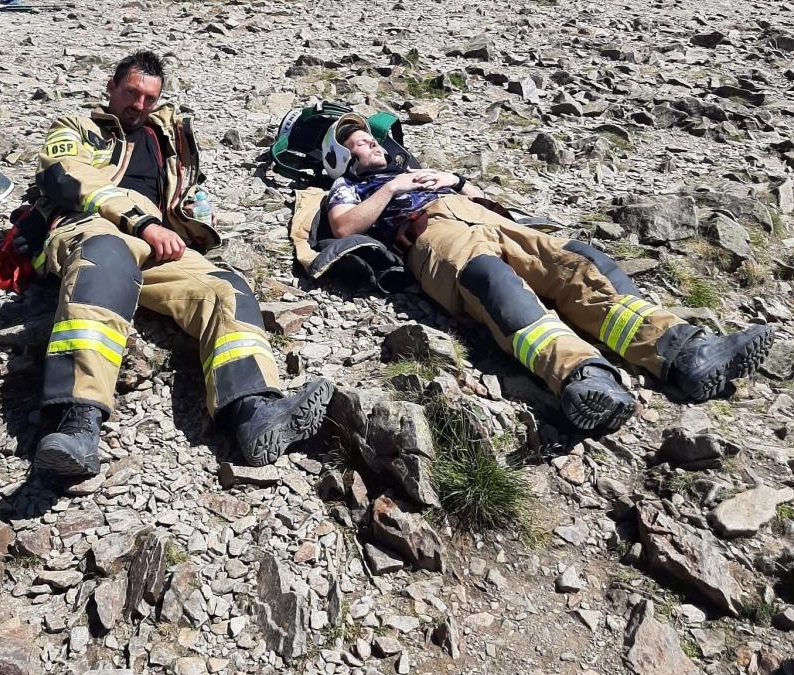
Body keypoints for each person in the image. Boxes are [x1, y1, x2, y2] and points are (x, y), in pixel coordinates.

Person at [322, 114, 774, 436]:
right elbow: (343, 226)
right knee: (491, 281)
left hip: (487, 217)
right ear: (341, 158)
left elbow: (482, 194)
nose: (374, 144)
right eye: (360, 142)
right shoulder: (348, 187)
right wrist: (393, 187)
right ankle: (581, 375)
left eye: (371, 138)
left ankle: (684, 352)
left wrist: (456, 182)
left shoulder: (417, 171)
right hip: (431, 236)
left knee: (577, 264)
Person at [29, 51, 333, 479]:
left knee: (224, 287)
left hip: (158, 241)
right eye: (131, 93)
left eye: (148, 98)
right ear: (111, 89)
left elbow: (187, 201)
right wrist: (144, 221)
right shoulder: (78, 128)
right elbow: (66, 177)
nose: (138, 105)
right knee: (106, 262)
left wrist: (189, 221)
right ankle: (77, 423)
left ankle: (252, 412)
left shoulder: (166, 141)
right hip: (92, 227)